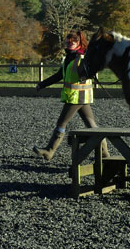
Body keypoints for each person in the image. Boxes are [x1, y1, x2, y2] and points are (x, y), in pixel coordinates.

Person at [33, 30, 108, 161]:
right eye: (68, 40)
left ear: (79, 42)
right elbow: (59, 75)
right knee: (91, 125)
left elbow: (89, 71)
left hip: (77, 97)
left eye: (73, 41)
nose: (70, 43)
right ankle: (104, 153)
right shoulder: (69, 57)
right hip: (79, 97)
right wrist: (42, 84)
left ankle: (50, 151)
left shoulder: (83, 57)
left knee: (61, 123)